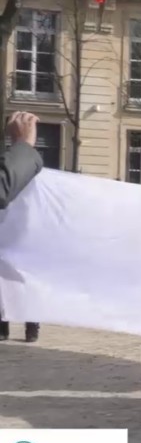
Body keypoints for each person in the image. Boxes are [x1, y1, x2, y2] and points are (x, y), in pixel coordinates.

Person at [0, 112, 45, 343]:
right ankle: (6, 325)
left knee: (24, 281)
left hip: (24, 235)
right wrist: (24, 147)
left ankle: (30, 326)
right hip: (12, 233)